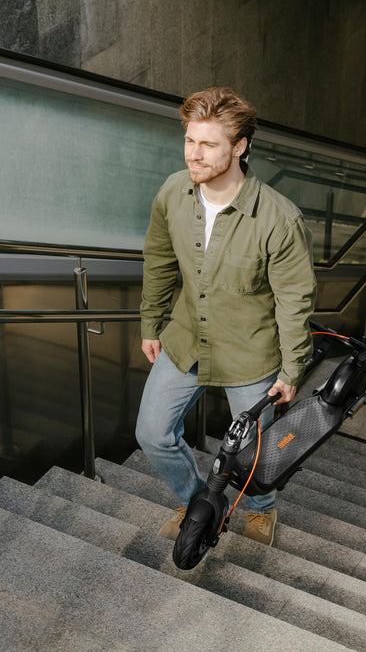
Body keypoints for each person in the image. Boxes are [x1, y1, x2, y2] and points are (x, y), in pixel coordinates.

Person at [136, 87, 317, 547]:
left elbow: (294, 300)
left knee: (256, 454)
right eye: (189, 141)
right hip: (184, 340)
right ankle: (201, 502)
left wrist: (293, 369)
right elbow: (158, 260)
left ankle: (260, 508)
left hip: (250, 354)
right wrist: (151, 322)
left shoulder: (278, 219)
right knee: (152, 433)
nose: (193, 155)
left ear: (239, 147)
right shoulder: (172, 193)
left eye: (208, 144)